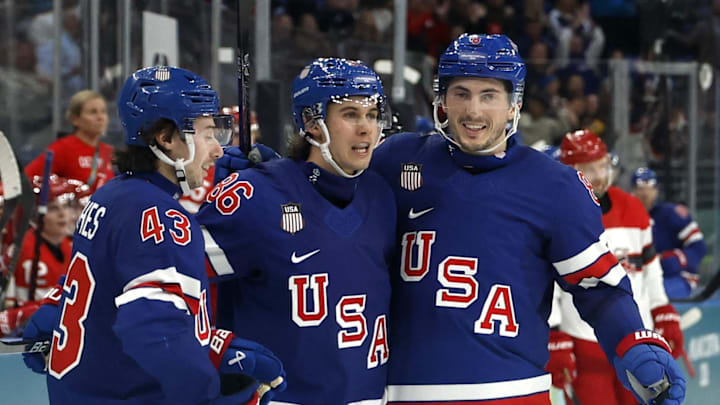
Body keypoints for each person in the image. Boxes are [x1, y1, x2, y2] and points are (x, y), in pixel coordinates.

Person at [367, 34, 685, 405]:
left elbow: (597, 288)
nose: (473, 110)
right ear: (442, 100)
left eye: (489, 95)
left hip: (514, 394)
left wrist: (634, 341)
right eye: (461, 93)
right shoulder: (394, 161)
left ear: (513, 104)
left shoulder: (555, 185)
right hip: (405, 394)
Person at [22, 66, 285, 405]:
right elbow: (152, 328)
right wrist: (206, 397)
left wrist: (214, 344)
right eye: (207, 134)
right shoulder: (159, 215)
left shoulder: (112, 195)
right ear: (164, 138)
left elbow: (101, 294)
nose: (218, 150)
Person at [198, 58, 395, 405]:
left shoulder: (383, 194)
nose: (366, 128)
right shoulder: (256, 195)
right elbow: (173, 279)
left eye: (372, 114)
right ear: (311, 122)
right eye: (350, 114)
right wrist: (215, 350)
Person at [547, 129, 684, 405]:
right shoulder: (558, 212)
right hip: (585, 346)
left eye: (602, 165)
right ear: (569, 170)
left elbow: (649, 267)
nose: (599, 175)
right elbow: (549, 283)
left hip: (636, 342)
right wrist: (555, 332)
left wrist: (662, 308)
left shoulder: (633, 208)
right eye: (588, 168)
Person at [0, 176, 87, 337]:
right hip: (25, 335)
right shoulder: (20, 249)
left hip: (57, 330)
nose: (63, 214)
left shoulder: (72, 247)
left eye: (65, 207)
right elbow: (7, 309)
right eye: (53, 208)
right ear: (36, 214)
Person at [631, 167, 708, 299]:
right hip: (641, 277)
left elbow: (699, 247)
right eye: (640, 188)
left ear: (657, 189)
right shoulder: (626, 217)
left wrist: (678, 258)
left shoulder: (672, 214)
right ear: (632, 191)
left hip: (678, 277)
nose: (645, 193)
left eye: (650, 187)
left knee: (654, 295)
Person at [24, 90, 114, 193]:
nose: (100, 117)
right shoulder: (63, 148)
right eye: (93, 112)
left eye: (103, 111)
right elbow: (27, 178)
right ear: (75, 119)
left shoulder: (107, 151)